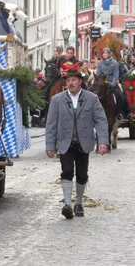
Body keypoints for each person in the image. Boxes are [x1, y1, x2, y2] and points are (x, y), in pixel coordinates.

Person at [45, 69, 108, 219]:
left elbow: (101, 120)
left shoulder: (92, 98)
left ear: (80, 81)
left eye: (73, 80)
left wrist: (103, 141)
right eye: (68, 81)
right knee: (66, 171)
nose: (70, 83)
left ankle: (78, 202)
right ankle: (67, 204)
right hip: (65, 142)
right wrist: (50, 146)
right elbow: (51, 124)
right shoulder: (57, 99)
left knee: (82, 174)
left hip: (84, 142)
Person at [96, 48, 130, 119]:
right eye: (103, 53)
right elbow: (98, 74)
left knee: (120, 95)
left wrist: (112, 83)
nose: (104, 55)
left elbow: (116, 75)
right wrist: (100, 81)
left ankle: (120, 113)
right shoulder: (100, 63)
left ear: (109, 54)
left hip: (112, 82)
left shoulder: (115, 63)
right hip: (102, 83)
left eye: (105, 53)